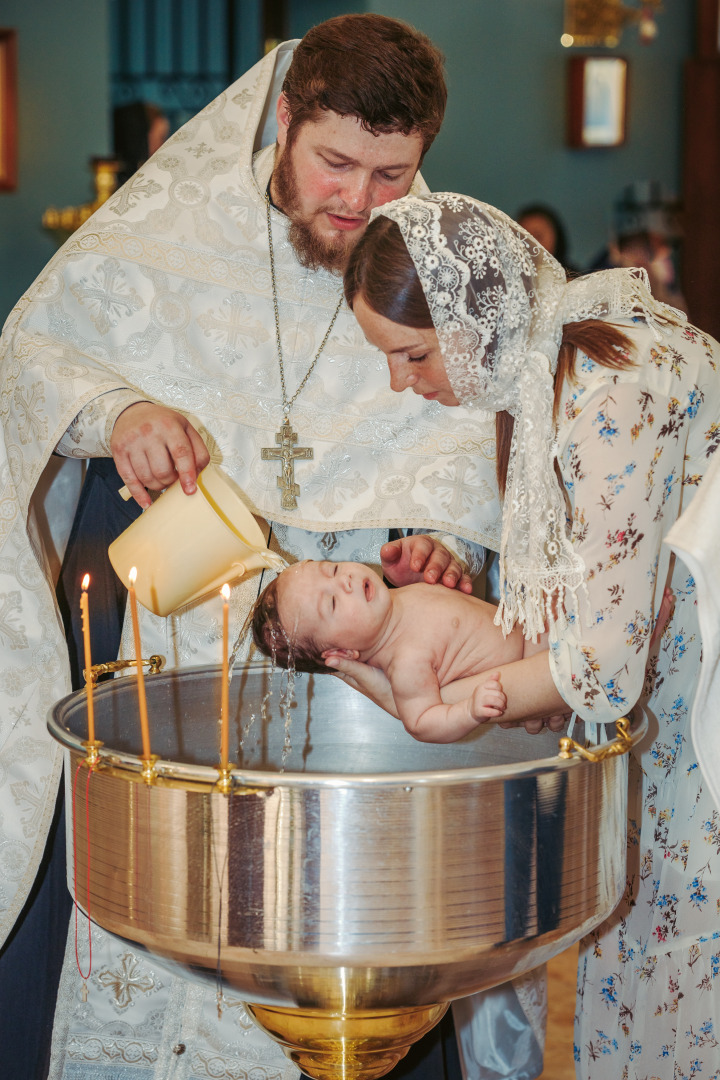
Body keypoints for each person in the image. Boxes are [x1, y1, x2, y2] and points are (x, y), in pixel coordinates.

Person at [0, 16, 505, 1080]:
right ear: (283, 119)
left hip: (361, 658)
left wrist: (444, 548)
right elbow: (36, 349)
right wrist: (122, 407)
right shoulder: (167, 226)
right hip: (186, 621)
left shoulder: (427, 254)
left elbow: (462, 422)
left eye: (392, 172)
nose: (361, 201)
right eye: (334, 162)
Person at [339, 190, 720, 1080]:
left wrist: (460, 708)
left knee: (683, 991)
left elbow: (602, 664)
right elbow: (571, 594)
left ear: (475, 316)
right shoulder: (546, 370)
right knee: (637, 983)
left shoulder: (606, 386)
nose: (403, 381)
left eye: (412, 354)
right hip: (661, 722)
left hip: (699, 722)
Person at [251, 558, 550, 740]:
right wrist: (468, 711)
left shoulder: (402, 596)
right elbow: (421, 722)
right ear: (342, 654)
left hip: (534, 628)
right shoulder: (405, 663)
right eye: (331, 603)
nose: (345, 581)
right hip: (532, 660)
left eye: (332, 569)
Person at [516, 202, 578, 275]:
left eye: (538, 236)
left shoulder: (575, 280)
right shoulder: (509, 279)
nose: (530, 244)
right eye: (523, 238)